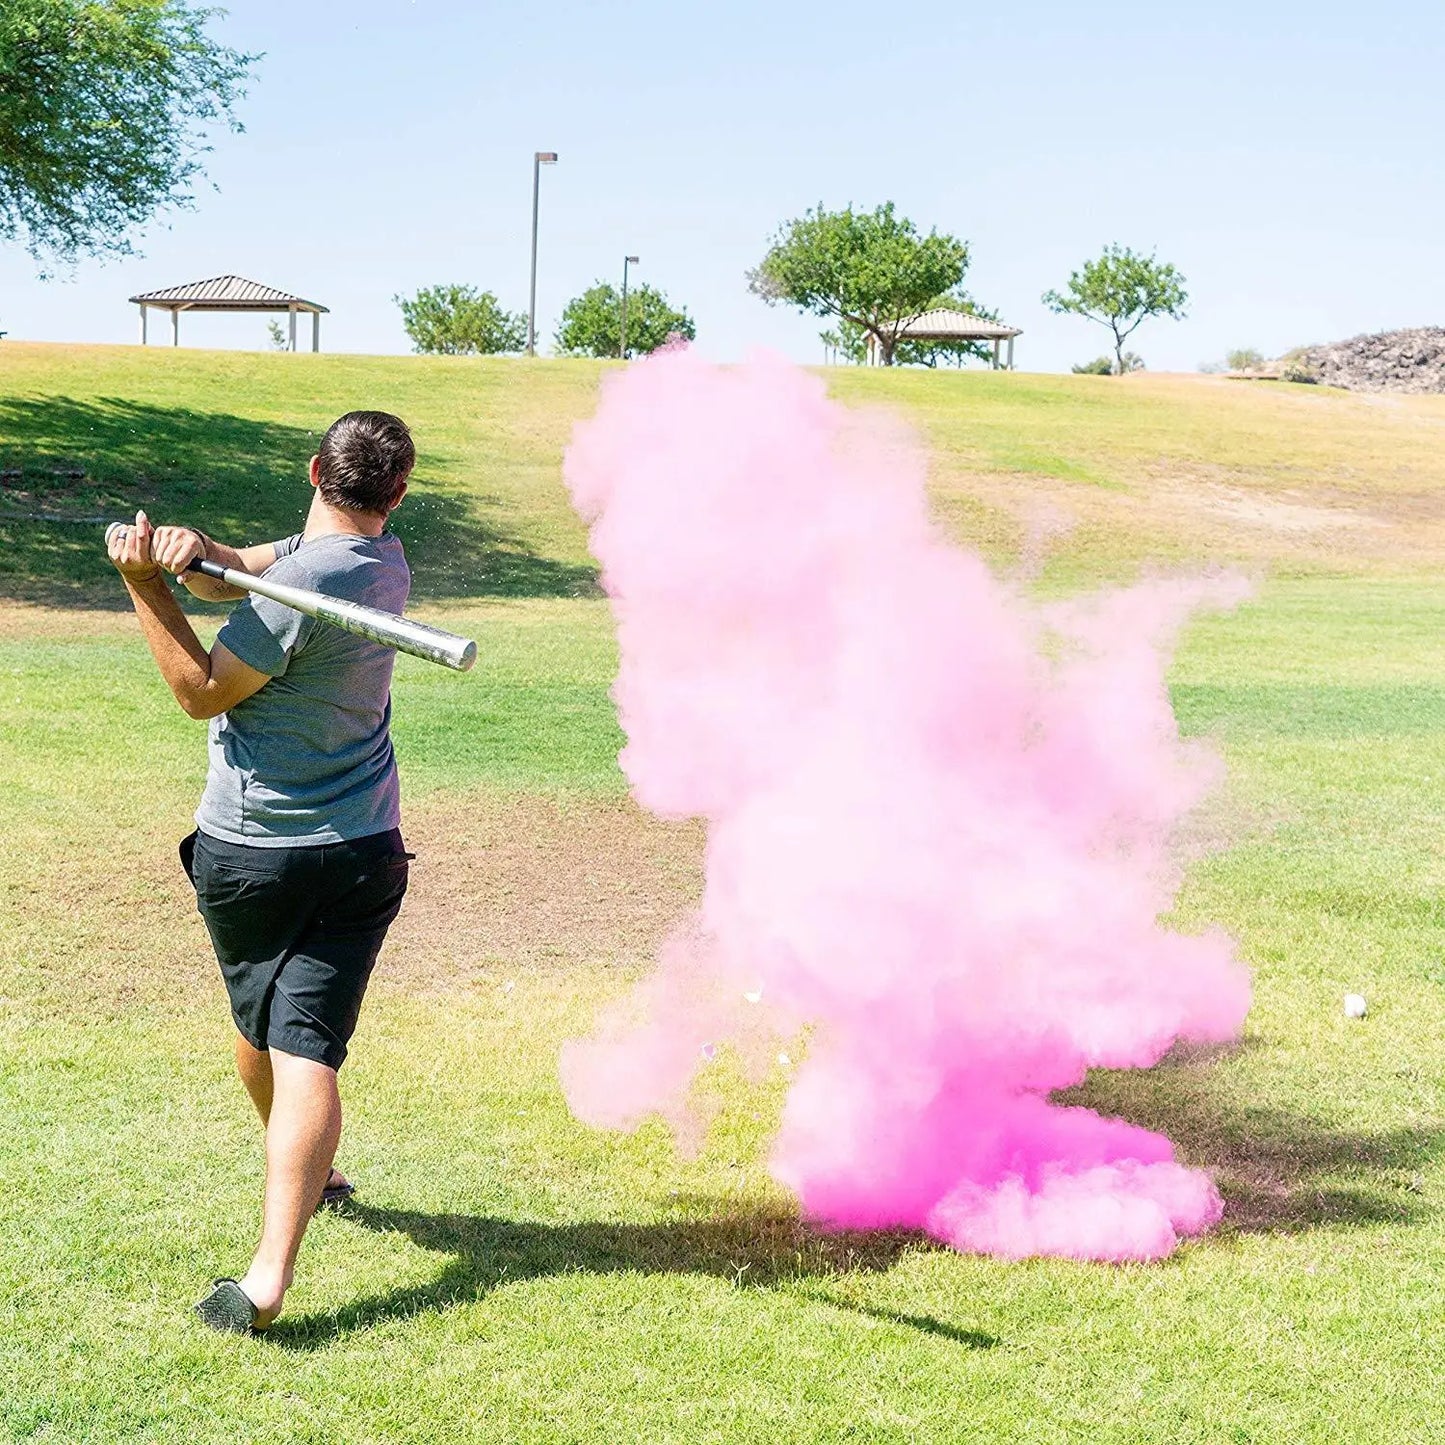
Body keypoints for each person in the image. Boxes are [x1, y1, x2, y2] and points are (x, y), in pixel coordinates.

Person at [106, 410, 417, 1333]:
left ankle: (268, 1278)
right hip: (364, 848)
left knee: (287, 1045)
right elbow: (252, 558)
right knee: (281, 1034)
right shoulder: (380, 559)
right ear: (394, 494)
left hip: (256, 851)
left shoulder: (303, 586)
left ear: (314, 468)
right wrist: (195, 551)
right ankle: (310, 1173)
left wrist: (142, 586)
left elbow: (200, 688)